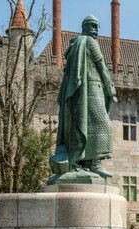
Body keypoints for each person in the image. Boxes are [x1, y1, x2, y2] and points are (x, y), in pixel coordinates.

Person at [51, 15, 116, 178]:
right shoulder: (89, 42)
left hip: (81, 91)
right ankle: (95, 163)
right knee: (102, 124)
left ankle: (84, 161)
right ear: (85, 27)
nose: (96, 30)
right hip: (92, 88)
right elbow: (101, 66)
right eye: (93, 26)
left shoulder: (75, 45)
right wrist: (110, 88)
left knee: (82, 125)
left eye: (97, 26)